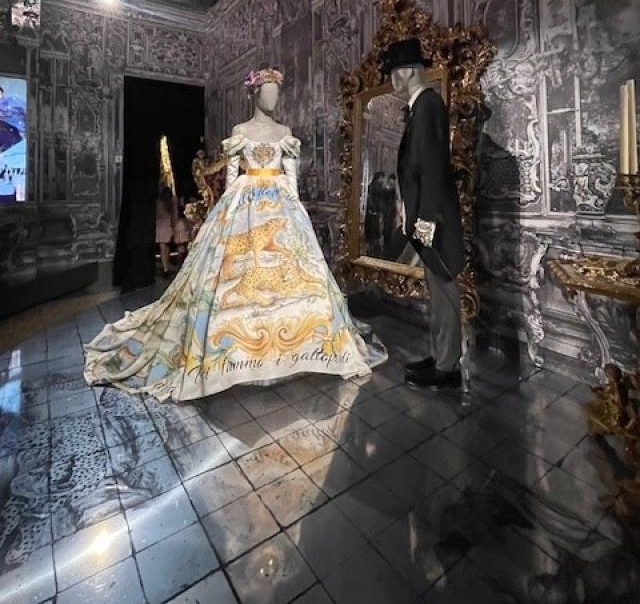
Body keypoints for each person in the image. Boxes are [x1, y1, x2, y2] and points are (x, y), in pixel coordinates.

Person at [84, 66, 385, 401]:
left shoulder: (285, 133)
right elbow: (230, 180)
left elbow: (291, 179)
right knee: (235, 270)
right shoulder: (240, 132)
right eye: (267, 92)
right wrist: (225, 217)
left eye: (276, 93)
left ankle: (300, 346)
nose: (273, 99)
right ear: (255, 94)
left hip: (280, 205)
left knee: (297, 270)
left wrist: (295, 211)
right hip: (245, 202)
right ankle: (236, 349)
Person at [380, 38, 465, 390]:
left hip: (435, 218)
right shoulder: (421, 107)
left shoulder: (428, 105)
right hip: (428, 216)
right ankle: (441, 355)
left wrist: (427, 218)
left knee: (444, 290)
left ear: (409, 72)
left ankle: (448, 368)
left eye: (394, 71)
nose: (391, 79)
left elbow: (433, 166)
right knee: (437, 289)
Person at [155, 186, 176, 277]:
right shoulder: (170, 203)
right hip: (168, 225)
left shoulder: (158, 202)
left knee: (162, 247)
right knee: (166, 247)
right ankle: (166, 265)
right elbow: (173, 216)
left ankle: (165, 268)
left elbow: (157, 214)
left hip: (160, 226)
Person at [364, 171, 385, 256]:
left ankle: (370, 251)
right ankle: (375, 253)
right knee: (375, 234)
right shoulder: (377, 186)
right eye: (382, 178)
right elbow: (376, 200)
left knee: (371, 234)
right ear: (379, 178)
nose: (383, 180)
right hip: (374, 213)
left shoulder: (371, 186)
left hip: (370, 212)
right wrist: (376, 210)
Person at [173, 201, 192, 266]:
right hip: (182, 238)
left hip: (183, 238)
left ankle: (182, 265)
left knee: (182, 252)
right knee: (182, 252)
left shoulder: (185, 221)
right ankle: (181, 265)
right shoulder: (182, 221)